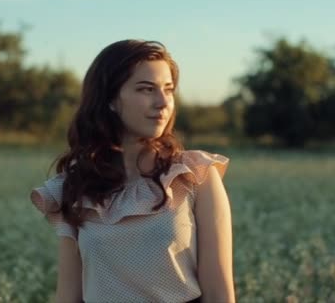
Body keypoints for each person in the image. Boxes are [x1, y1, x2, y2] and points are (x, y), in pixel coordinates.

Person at [30, 40, 235, 303]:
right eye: (146, 89)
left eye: (168, 90)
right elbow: (68, 296)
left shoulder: (195, 174)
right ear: (110, 100)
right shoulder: (76, 186)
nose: (163, 102)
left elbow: (220, 295)